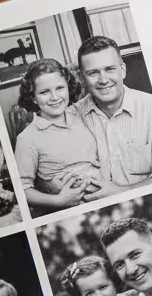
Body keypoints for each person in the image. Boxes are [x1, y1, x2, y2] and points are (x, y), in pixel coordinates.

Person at [73, 36, 152, 194]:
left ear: (123, 70)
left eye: (110, 69)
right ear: (82, 78)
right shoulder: (72, 116)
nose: (103, 79)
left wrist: (120, 192)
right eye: (93, 73)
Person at [13, 58, 102, 212]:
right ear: (33, 97)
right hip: (76, 210)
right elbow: (22, 190)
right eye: (44, 92)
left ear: (68, 88)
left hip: (107, 194)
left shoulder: (80, 111)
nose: (54, 97)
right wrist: (58, 201)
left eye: (60, 88)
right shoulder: (27, 138)